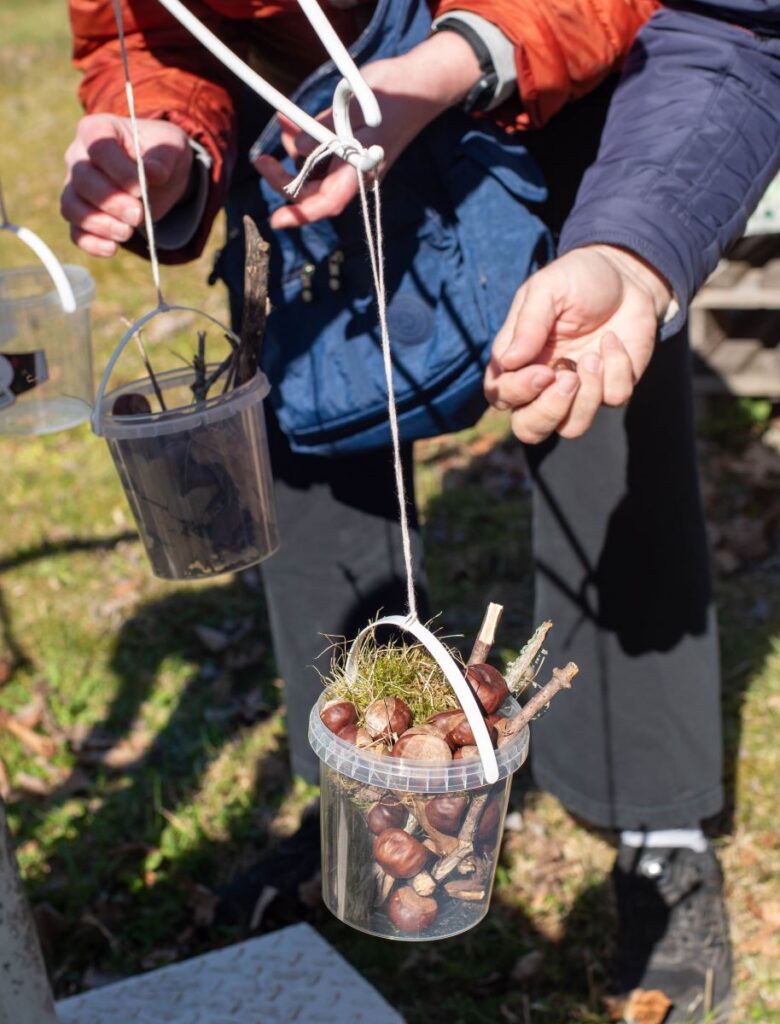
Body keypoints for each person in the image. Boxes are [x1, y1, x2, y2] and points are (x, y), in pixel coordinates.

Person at [60, 1, 779, 1021]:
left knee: (589, 395)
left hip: (545, 73)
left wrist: (446, 65)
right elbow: (140, 32)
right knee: (310, 419)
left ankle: (655, 826)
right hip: (309, 133)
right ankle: (362, 794)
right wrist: (163, 135)